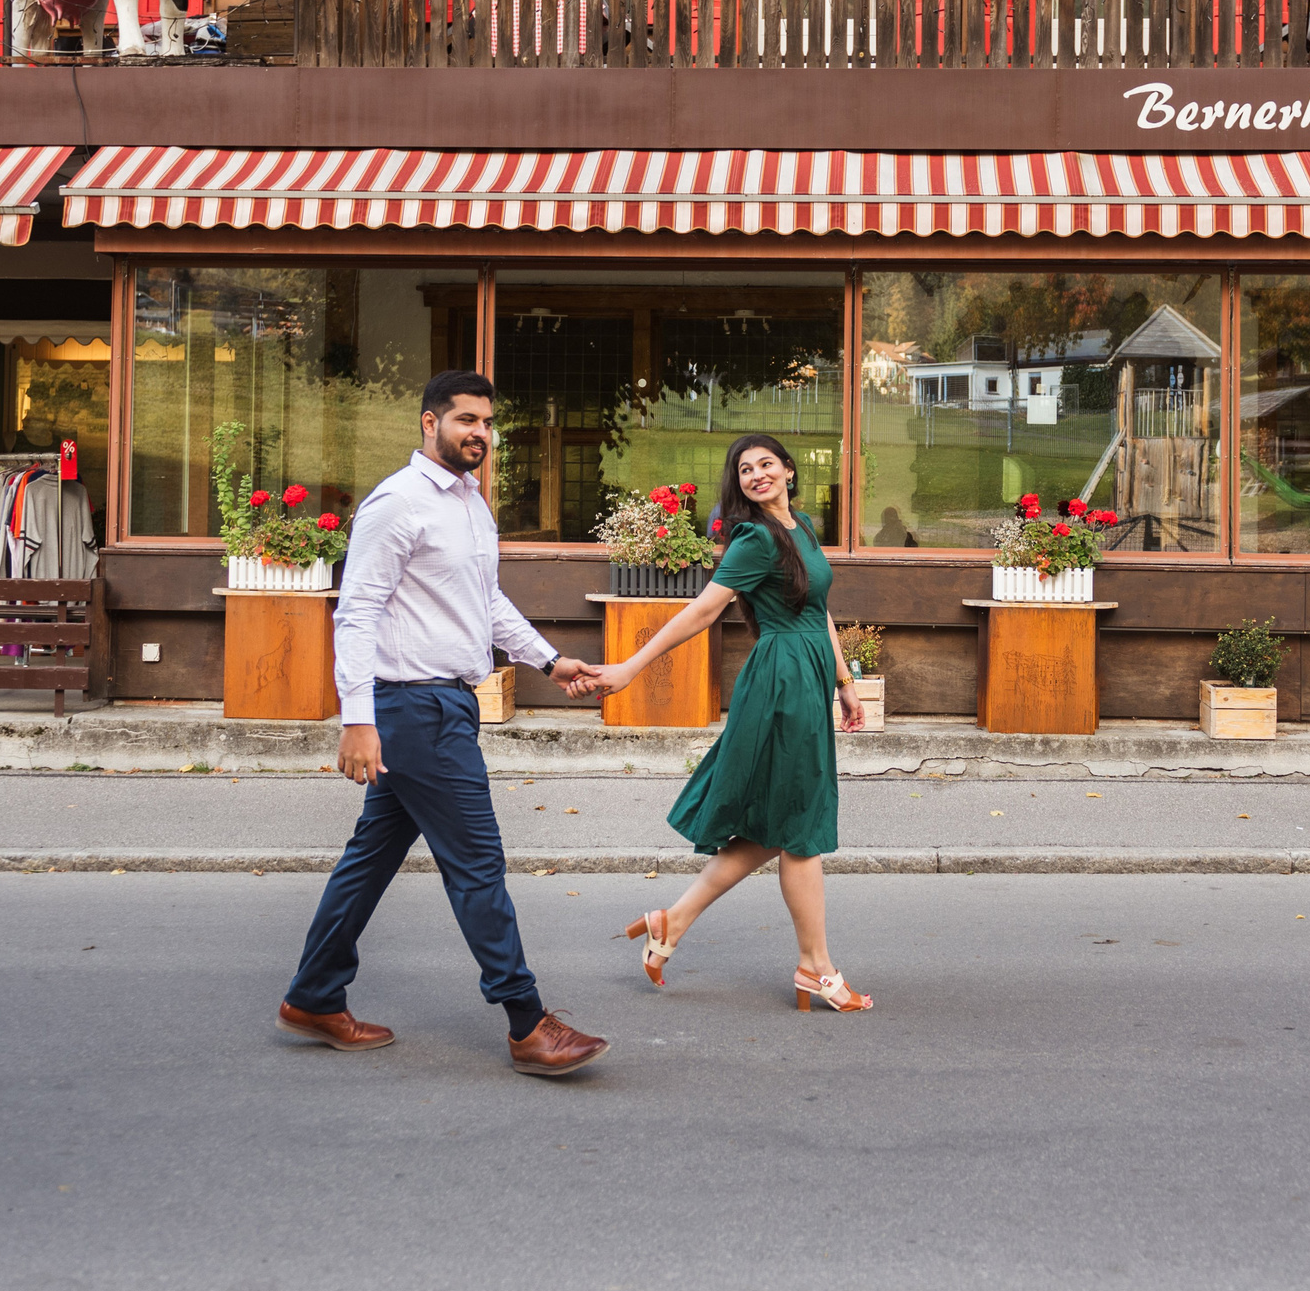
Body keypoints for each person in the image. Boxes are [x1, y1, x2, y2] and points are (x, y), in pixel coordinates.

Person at [276, 370, 612, 1076]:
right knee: (477, 862)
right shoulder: (397, 504)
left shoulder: (471, 505)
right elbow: (357, 611)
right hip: (415, 708)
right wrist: (357, 717)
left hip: (445, 701)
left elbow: (484, 603)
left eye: (487, 422)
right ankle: (527, 1020)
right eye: (465, 420)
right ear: (428, 423)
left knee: (369, 859)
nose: (479, 434)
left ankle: (312, 995)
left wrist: (551, 661)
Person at [577, 434, 874, 1013]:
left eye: (766, 464)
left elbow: (820, 609)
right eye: (745, 469)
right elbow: (704, 610)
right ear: (737, 483)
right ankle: (818, 969)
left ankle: (673, 920)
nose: (757, 475)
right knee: (801, 826)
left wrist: (844, 682)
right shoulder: (756, 539)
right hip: (782, 683)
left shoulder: (802, 527)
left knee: (774, 826)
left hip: (807, 676)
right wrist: (631, 668)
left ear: (789, 471)